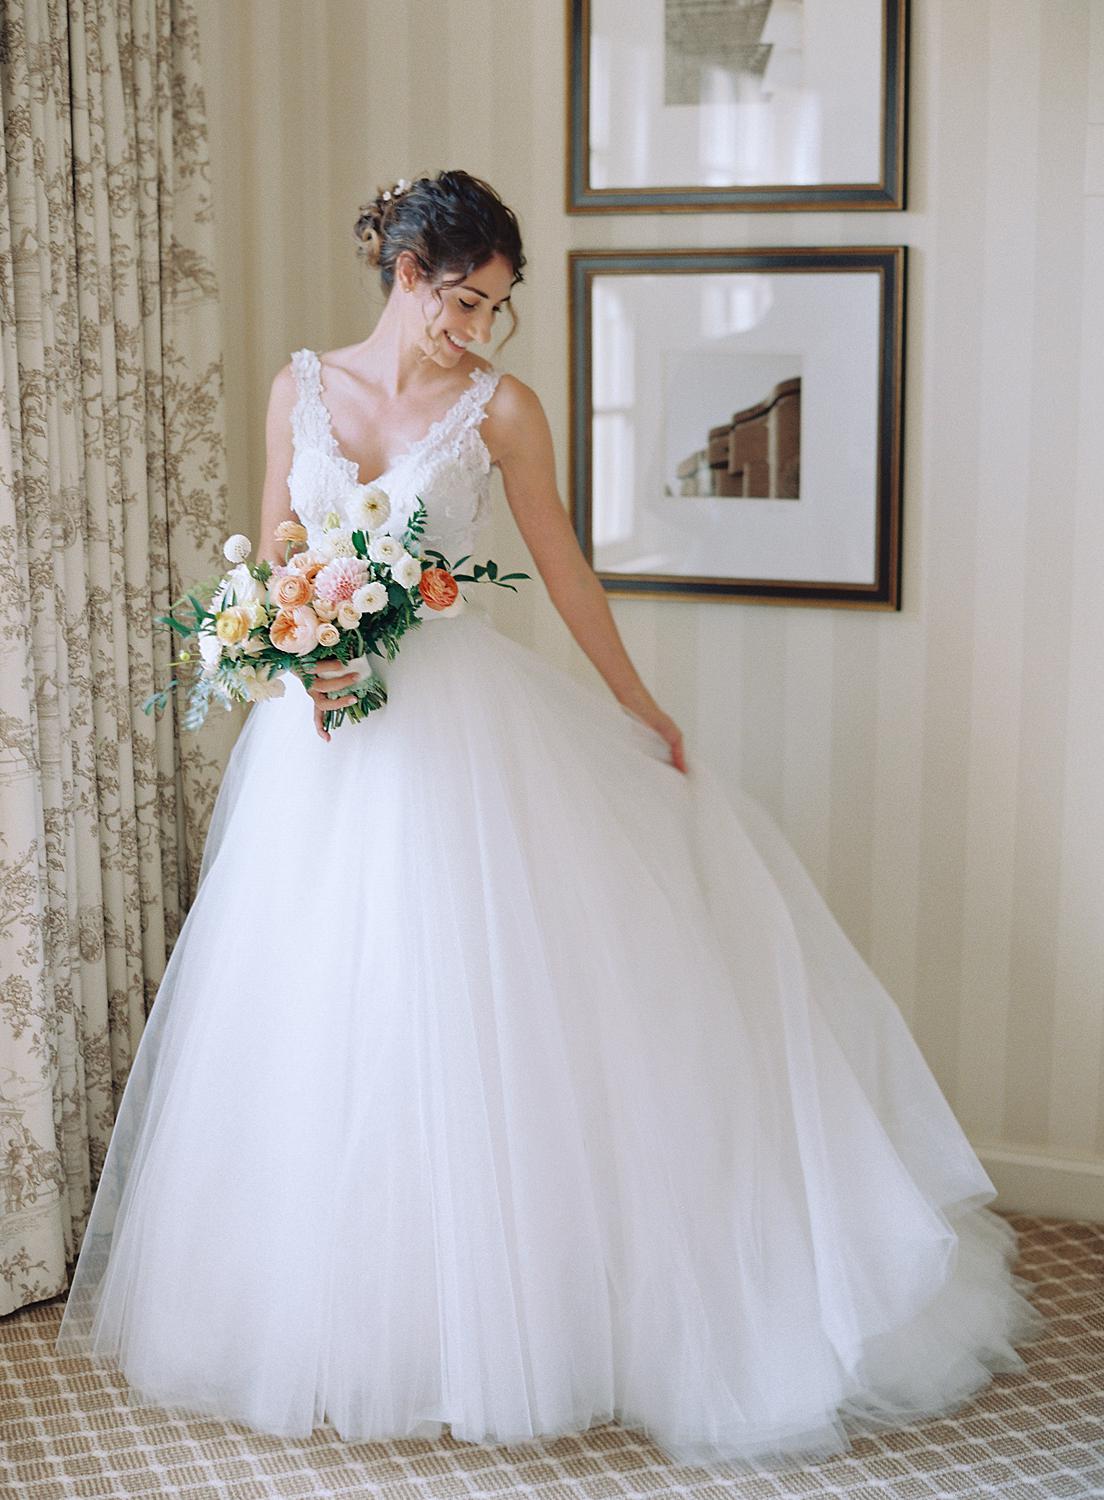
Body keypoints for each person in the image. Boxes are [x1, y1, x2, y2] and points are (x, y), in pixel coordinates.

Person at [55, 169, 1043, 1472]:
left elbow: (562, 561)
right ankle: (356, 1315)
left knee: (481, 1011)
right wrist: (303, 655)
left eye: (495, 308)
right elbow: (278, 550)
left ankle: (516, 1314)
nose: (476, 327)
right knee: (324, 1022)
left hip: (463, 737)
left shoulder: (500, 410)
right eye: (463, 299)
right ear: (405, 271)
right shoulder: (302, 387)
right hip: (325, 746)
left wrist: (643, 707)